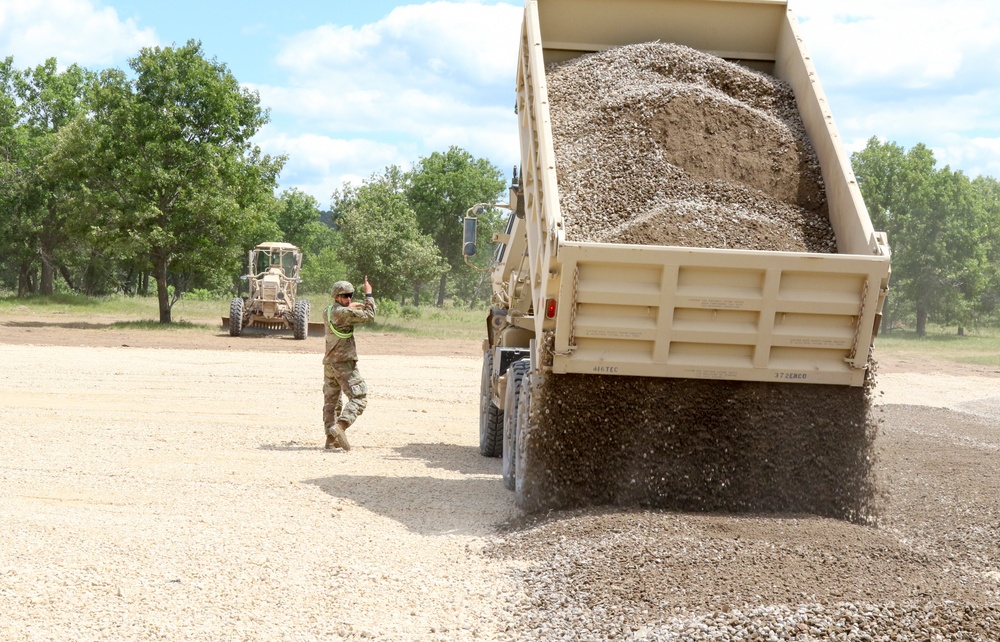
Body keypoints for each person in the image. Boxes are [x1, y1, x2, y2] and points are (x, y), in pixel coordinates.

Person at [322, 277, 375, 451]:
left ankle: (331, 439)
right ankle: (341, 426)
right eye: (345, 296)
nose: (349, 299)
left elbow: (339, 311)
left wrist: (348, 306)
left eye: (350, 295)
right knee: (359, 397)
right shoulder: (344, 313)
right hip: (344, 363)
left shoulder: (328, 311)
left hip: (329, 363)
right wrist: (369, 294)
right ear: (337, 296)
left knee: (332, 401)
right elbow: (369, 315)